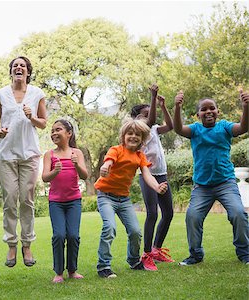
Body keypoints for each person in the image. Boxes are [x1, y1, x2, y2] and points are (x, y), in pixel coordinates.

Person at [173, 89, 249, 266]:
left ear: (217, 111)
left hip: (226, 183)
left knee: (238, 213)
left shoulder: (224, 127)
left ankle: (245, 253)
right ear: (198, 114)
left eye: (212, 108)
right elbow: (178, 129)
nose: (208, 111)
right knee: (192, 216)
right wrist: (177, 107)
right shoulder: (195, 130)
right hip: (202, 187)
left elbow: (243, 127)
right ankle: (195, 255)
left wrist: (246, 106)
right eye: (204, 109)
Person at [95, 119, 168, 278]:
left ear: (142, 139)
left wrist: (157, 187)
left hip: (124, 199)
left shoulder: (140, 156)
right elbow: (108, 162)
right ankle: (104, 266)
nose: (133, 136)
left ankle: (134, 261)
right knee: (109, 228)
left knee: (135, 231)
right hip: (106, 196)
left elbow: (147, 174)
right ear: (123, 136)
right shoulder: (116, 150)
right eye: (130, 133)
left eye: (138, 134)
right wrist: (105, 167)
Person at [0, 56, 47, 267]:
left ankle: (27, 245)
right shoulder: (0, 95)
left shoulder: (37, 94)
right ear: (11, 71)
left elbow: (43, 123)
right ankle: (11, 245)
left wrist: (32, 117)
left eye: (22, 66)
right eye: (15, 66)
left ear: (28, 72)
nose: (19, 68)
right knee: (10, 200)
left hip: (29, 154)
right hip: (5, 154)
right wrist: (0, 131)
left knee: (26, 200)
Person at [130, 84, 175, 271]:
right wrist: (154, 96)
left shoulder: (154, 128)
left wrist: (163, 106)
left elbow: (170, 126)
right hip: (147, 176)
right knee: (152, 214)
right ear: (137, 118)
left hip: (162, 174)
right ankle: (146, 254)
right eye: (145, 113)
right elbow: (151, 121)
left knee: (169, 213)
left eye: (151, 112)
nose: (149, 116)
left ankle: (156, 249)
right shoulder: (140, 129)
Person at [42, 119, 88, 283]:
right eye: (52, 130)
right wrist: (55, 171)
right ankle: (58, 272)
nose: (54, 133)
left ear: (69, 133)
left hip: (74, 201)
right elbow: (44, 177)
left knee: (73, 236)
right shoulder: (50, 154)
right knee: (59, 235)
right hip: (56, 202)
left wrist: (76, 165)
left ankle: (72, 270)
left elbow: (85, 176)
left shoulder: (77, 153)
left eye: (58, 129)